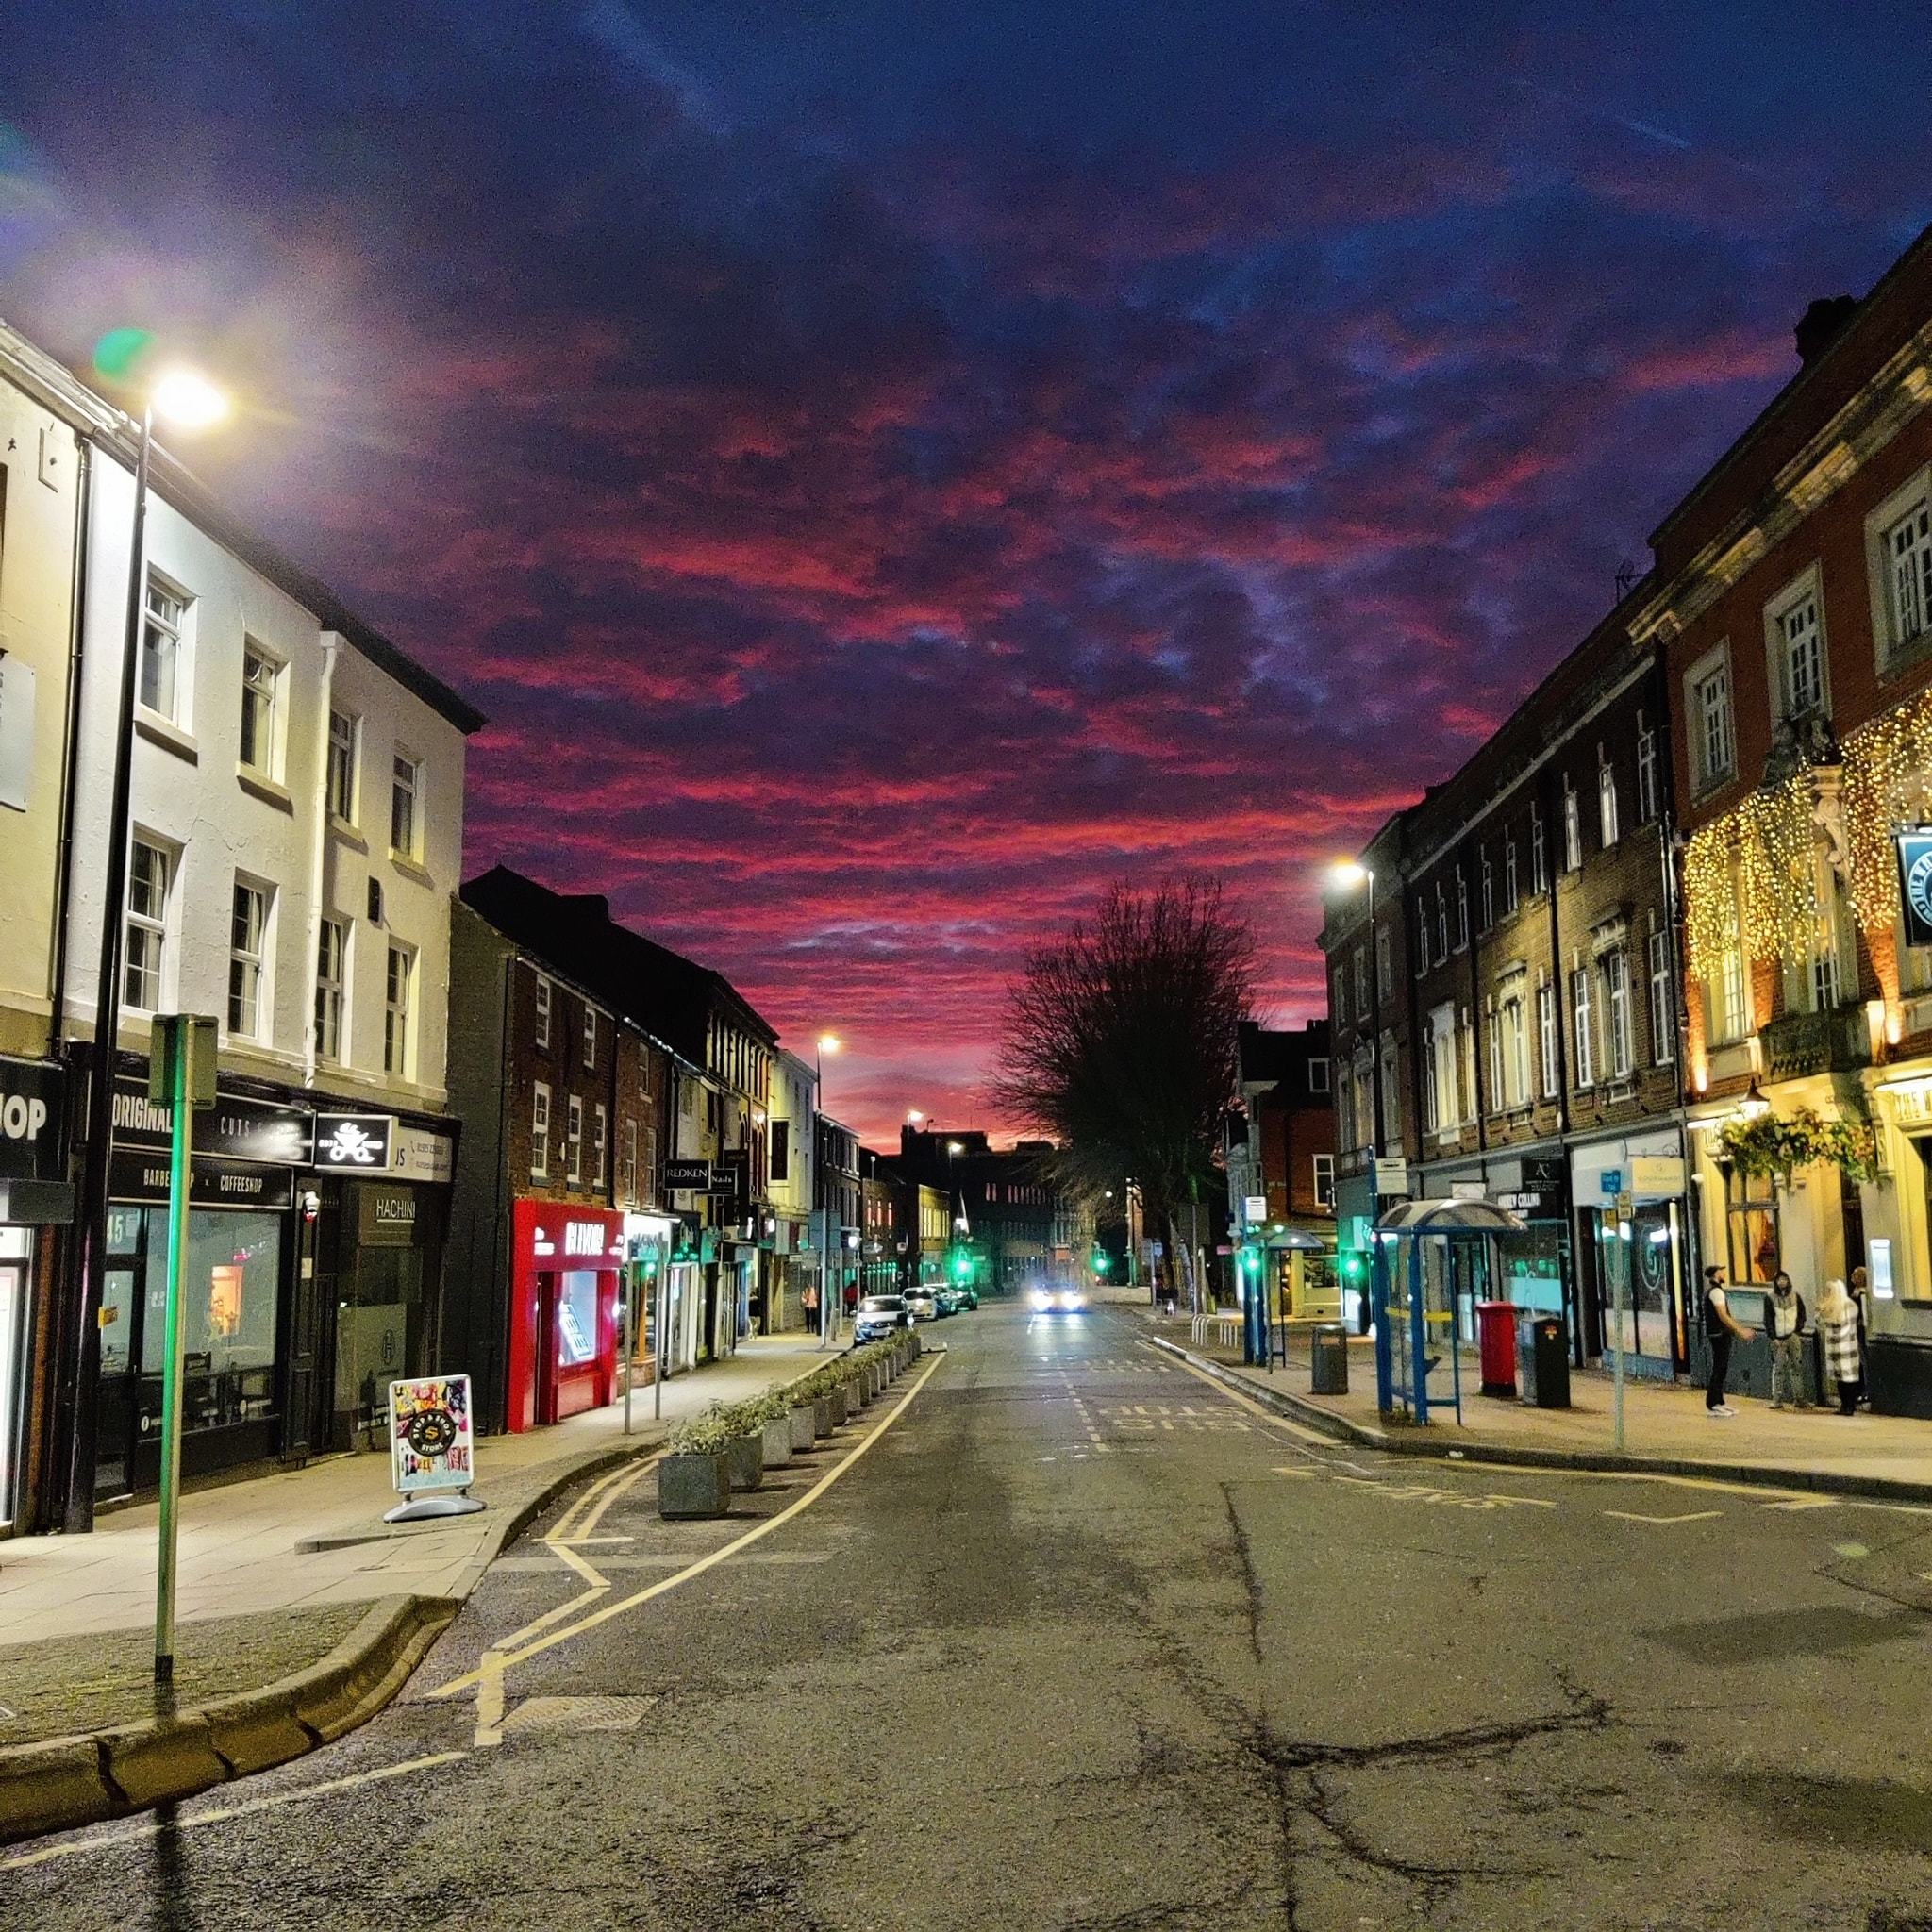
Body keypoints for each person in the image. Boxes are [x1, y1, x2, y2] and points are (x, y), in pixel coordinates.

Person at [1704, 1264, 1751, 1417]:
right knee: (1719, 1367)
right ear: (1716, 1275)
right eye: (1721, 1272)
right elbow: (1723, 1315)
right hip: (1719, 1334)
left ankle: (1719, 1401)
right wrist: (1740, 1330)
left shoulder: (1715, 1291)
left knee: (1721, 1367)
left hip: (1719, 1333)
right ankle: (1713, 1403)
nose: (1724, 1273)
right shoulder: (1716, 1292)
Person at [1764, 1269, 1811, 1410]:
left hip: (1792, 1336)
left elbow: (1802, 1314)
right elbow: (1768, 1319)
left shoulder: (1795, 1296)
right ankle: (1777, 1400)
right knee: (1778, 1369)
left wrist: (1798, 1330)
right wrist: (1773, 1337)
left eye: (1784, 1279)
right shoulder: (1770, 1298)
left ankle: (1799, 1398)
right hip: (1778, 1338)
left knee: (1796, 1367)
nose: (1782, 1282)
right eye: (1779, 1280)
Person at [1816, 1279, 1863, 1417]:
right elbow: (1819, 1320)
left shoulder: (1848, 1306)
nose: (1828, 1293)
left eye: (1830, 1290)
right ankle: (1844, 1405)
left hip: (1846, 1347)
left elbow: (1844, 1324)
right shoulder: (1829, 1306)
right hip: (1834, 1347)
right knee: (1839, 1378)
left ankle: (1850, 1405)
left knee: (1848, 1378)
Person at [1849, 1265, 1872, 1407]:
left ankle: (1867, 1391)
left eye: (1856, 1275)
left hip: (1860, 1330)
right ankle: (1862, 1389)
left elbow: (1862, 1313)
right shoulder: (1857, 1293)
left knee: (1864, 1360)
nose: (1853, 1277)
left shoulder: (1861, 1294)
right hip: (1856, 1329)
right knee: (1861, 1361)